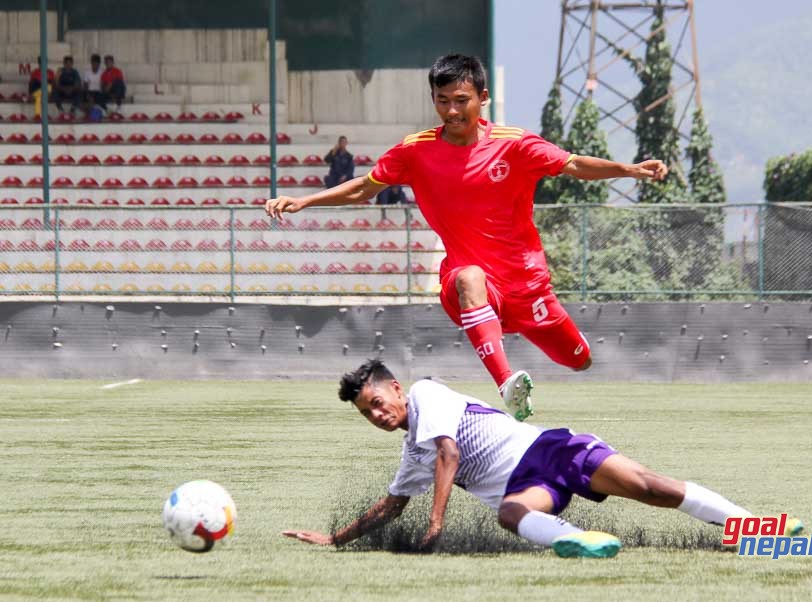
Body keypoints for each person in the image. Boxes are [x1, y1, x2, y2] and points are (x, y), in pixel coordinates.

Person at [265, 54, 668, 421]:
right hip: (470, 283)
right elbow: (364, 188)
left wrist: (628, 170)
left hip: (527, 284)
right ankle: (507, 384)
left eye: (461, 100)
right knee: (469, 275)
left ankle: (543, 335)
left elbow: (574, 164)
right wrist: (305, 201)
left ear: (483, 97)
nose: (452, 111)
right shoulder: (415, 150)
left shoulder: (515, 144)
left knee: (580, 361)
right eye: (442, 101)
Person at [282, 360, 765, 558]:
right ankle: (584, 542)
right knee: (511, 514)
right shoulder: (412, 454)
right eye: (367, 413)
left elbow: (449, 453)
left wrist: (437, 520)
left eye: (378, 402)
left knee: (652, 489)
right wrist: (334, 537)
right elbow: (390, 506)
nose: (378, 414)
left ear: (394, 387)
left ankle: (754, 528)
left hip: (551, 451)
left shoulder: (426, 393)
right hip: (530, 487)